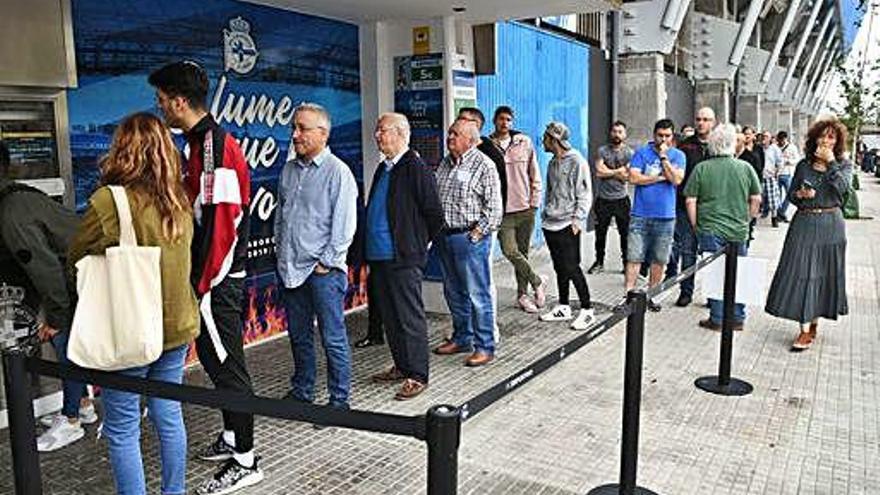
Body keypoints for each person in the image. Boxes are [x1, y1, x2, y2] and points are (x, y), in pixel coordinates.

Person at [68, 113, 199, 495]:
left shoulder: (111, 201)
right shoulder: (179, 199)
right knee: (168, 414)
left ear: (121, 149)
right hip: (176, 327)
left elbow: (77, 251)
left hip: (129, 329)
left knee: (124, 428)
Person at [149, 60, 262, 493]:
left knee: (228, 366)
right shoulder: (198, 145)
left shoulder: (216, 146)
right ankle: (234, 437)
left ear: (179, 101)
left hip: (217, 281)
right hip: (211, 279)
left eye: (161, 100)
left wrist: (203, 282)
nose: (160, 108)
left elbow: (225, 226)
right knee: (218, 362)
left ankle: (247, 461)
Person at [0, 143, 96, 452]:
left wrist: (56, 318)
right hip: (71, 274)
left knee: (64, 343)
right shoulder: (14, 198)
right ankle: (82, 404)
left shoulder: (11, 210)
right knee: (66, 343)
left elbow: (45, 268)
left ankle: (70, 421)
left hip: (75, 276)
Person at [276, 103, 358, 407]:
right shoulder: (288, 169)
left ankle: (339, 401)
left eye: (303, 129)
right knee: (299, 337)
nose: (295, 135)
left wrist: (325, 263)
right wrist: (280, 252)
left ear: (323, 133)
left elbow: (344, 225)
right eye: (294, 128)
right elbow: (281, 217)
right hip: (291, 270)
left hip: (322, 273)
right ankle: (302, 392)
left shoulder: (338, 173)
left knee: (332, 338)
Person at [366, 113, 444, 400]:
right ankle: (401, 365)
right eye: (377, 130)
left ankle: (417, 374)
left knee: (409, 317)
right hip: (380, 257)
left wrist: (418, 244)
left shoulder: (414, 167)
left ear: (400, 134)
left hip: (403, 257)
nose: (377, 135)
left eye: (382, 130)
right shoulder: (384, 168)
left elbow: (434, 213)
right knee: (390, 316)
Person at [765, 119, 851, 351]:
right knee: (803, 273)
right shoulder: (804, 164)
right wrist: (801, 194)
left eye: (831, 137)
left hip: (831, 224)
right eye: (823, 136)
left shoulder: (843, 164)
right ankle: (803, 329)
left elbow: (843, 190)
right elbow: (791, 195)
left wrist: (831, 162)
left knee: (822, 274)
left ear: (838, 142)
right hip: (803, 222)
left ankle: (813, 323)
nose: (826, 140)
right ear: (815, 138)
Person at [433, 118, 503, 367]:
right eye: (449, 132)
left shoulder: (484, 165)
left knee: (477, 294)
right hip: (445, 237)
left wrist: (476, 235)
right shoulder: (444, 162)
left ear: (471, 140)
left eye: (455, 134)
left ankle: (485, 346)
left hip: (470, 238)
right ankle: (462, 337)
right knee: (453, 292)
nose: (449, 137)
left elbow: (495, 209)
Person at [683, 123, 762, 331]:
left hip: (710, 228)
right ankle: (737, 317)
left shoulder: (702, 168)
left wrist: (696, 224)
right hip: (738, 229)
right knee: (739, 272)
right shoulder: (745, 168)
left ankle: (717, 318)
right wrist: (748, 219)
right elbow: (756, 198)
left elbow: (690, 200)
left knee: (716, 273)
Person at [538, 122, 596, 330]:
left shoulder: (577, 161)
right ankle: (563, 306)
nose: (542, 142)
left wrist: (577, 221)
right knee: (559, 267)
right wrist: (545, 214)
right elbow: (550, 191)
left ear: (554, 140)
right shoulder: (553, 162)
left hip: (567, 224)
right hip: (551, 222)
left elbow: (584, 194)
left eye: (545, 138)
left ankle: (587, 310)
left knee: (572, 267)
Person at [489, 106, 547, 313]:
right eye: (501, 119)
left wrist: (535, 201)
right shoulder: (487, 145)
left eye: (508, 120)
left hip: (525, 209)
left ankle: (522, 295)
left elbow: (534, 172)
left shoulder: (524, 142)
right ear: (494, 121)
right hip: (503, 212)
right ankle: (537, 281)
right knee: (510, 251)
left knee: (523, 253)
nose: (505, 123)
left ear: (512, 122)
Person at [624, 119, 685, 311]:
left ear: (672, 136)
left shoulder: (678, 155)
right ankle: (629, 294)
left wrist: (664, 158)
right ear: (654, 134)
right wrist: (659, 177)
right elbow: (633, 178)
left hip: (666, 216)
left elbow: (676, 179)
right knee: (634, 256)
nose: (663, 139)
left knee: (659, 259)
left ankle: (652, 295)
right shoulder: (641, 153)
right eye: (660, 135)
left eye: (667, 136)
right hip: (640, 214)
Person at [457, 107, 504, 344]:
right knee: (457, 290)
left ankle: (488, 335)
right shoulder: (450, 160)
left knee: (480, 287)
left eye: (466, 122)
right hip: (453, 236)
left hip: (478, 232)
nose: (459, 124)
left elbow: (496, 199)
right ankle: (464, 334)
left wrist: (480, 231)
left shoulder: (488, 157)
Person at [666, 107, 715, 307]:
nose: (701, 122)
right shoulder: (685, 147)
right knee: (688, 251)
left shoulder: (718, 147)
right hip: (685, 207)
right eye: (698, 119)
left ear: (713, 122)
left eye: (706, 119)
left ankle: (713, 295)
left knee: (712, 252)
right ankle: (686, 292)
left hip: (711, 208)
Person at [589, 121, 634, 275]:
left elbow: (629, 176)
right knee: (600, 234)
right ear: (611, 133)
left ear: (625, 134)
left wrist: (609, 171)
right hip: (603, 199)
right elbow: (599, 172)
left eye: (620, 131)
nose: (617, 134)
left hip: (622, 199)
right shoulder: (602, 150)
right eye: (614, 131)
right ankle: (599, 262)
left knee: (625, 234)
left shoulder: (629, 153)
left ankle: (626, 264)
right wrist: (619, 171)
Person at [775, 130, 801, 223]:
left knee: (789, 194)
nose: (781, 142)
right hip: (777, 174)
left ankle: (781, 212)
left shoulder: (792, 147)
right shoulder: (775, 148)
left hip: (787, 173)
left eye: (782, 140)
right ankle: (779, 214)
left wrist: (789, 161)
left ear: (785, 139)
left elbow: (797, 159)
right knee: (776, 196)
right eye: (779, 140)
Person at [761, 131, 783, 228]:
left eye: (766, 136)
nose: (764, 138)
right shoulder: (759, 148)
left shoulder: (774, 149)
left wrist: (777, 172)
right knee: (760, 197)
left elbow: (780, 161)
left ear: (770, 138)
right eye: (763, 136)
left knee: (773, 199)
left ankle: (774, 218)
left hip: (770, 176)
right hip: (760, 176)